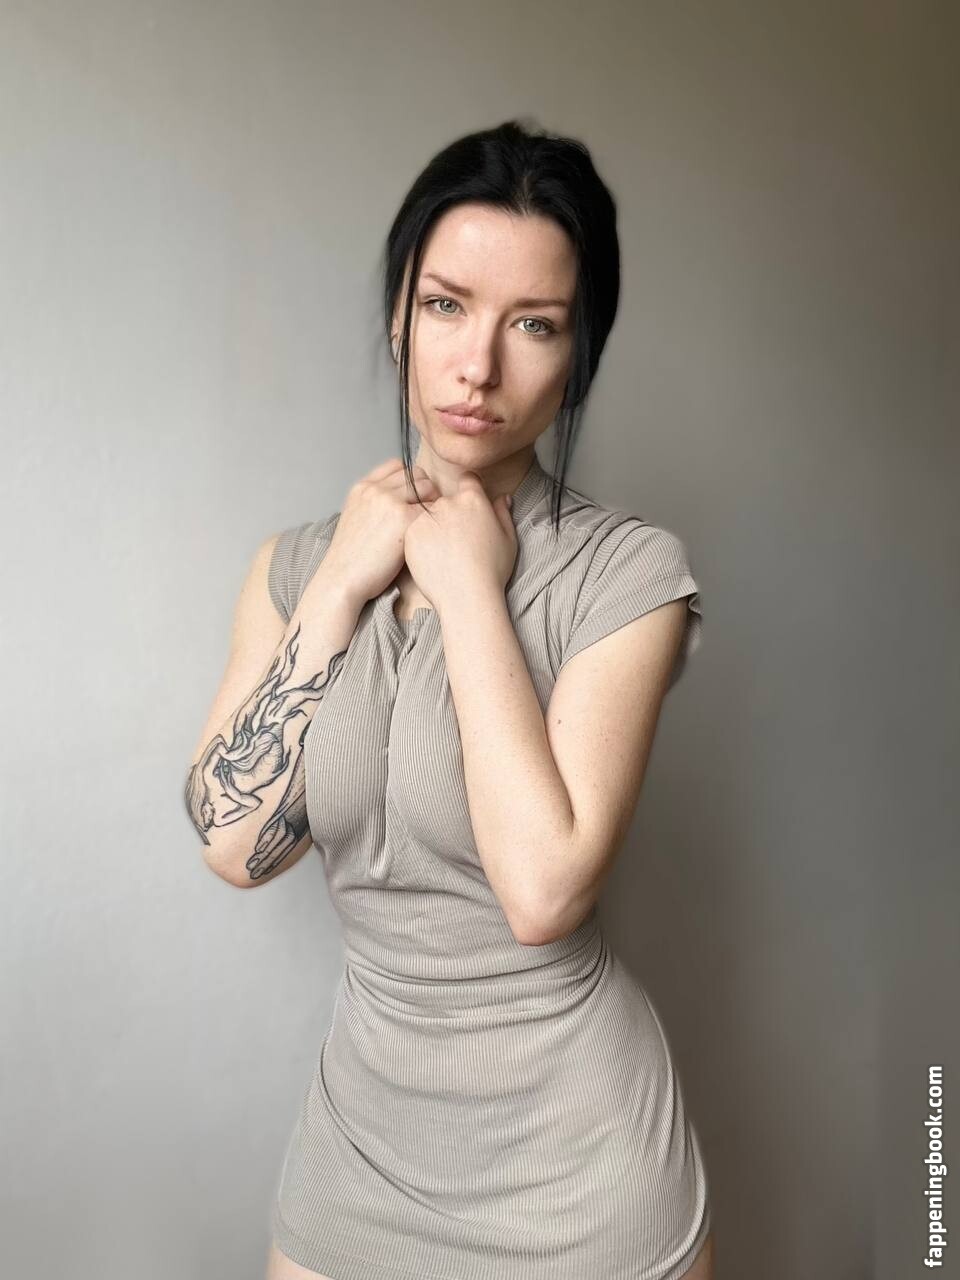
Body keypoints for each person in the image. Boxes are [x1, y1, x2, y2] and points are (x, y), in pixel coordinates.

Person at [185, 118, 714, 1280]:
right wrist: (340, 584)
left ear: (579, 351)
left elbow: (544, 889)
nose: (478, 366)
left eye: (534, 324)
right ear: (397, 318)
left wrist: (472, 590)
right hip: (362, 1152)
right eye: (445, 306)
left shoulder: (625, 574)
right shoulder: (296, 567)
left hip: (580, 1171)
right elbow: (231, 842)